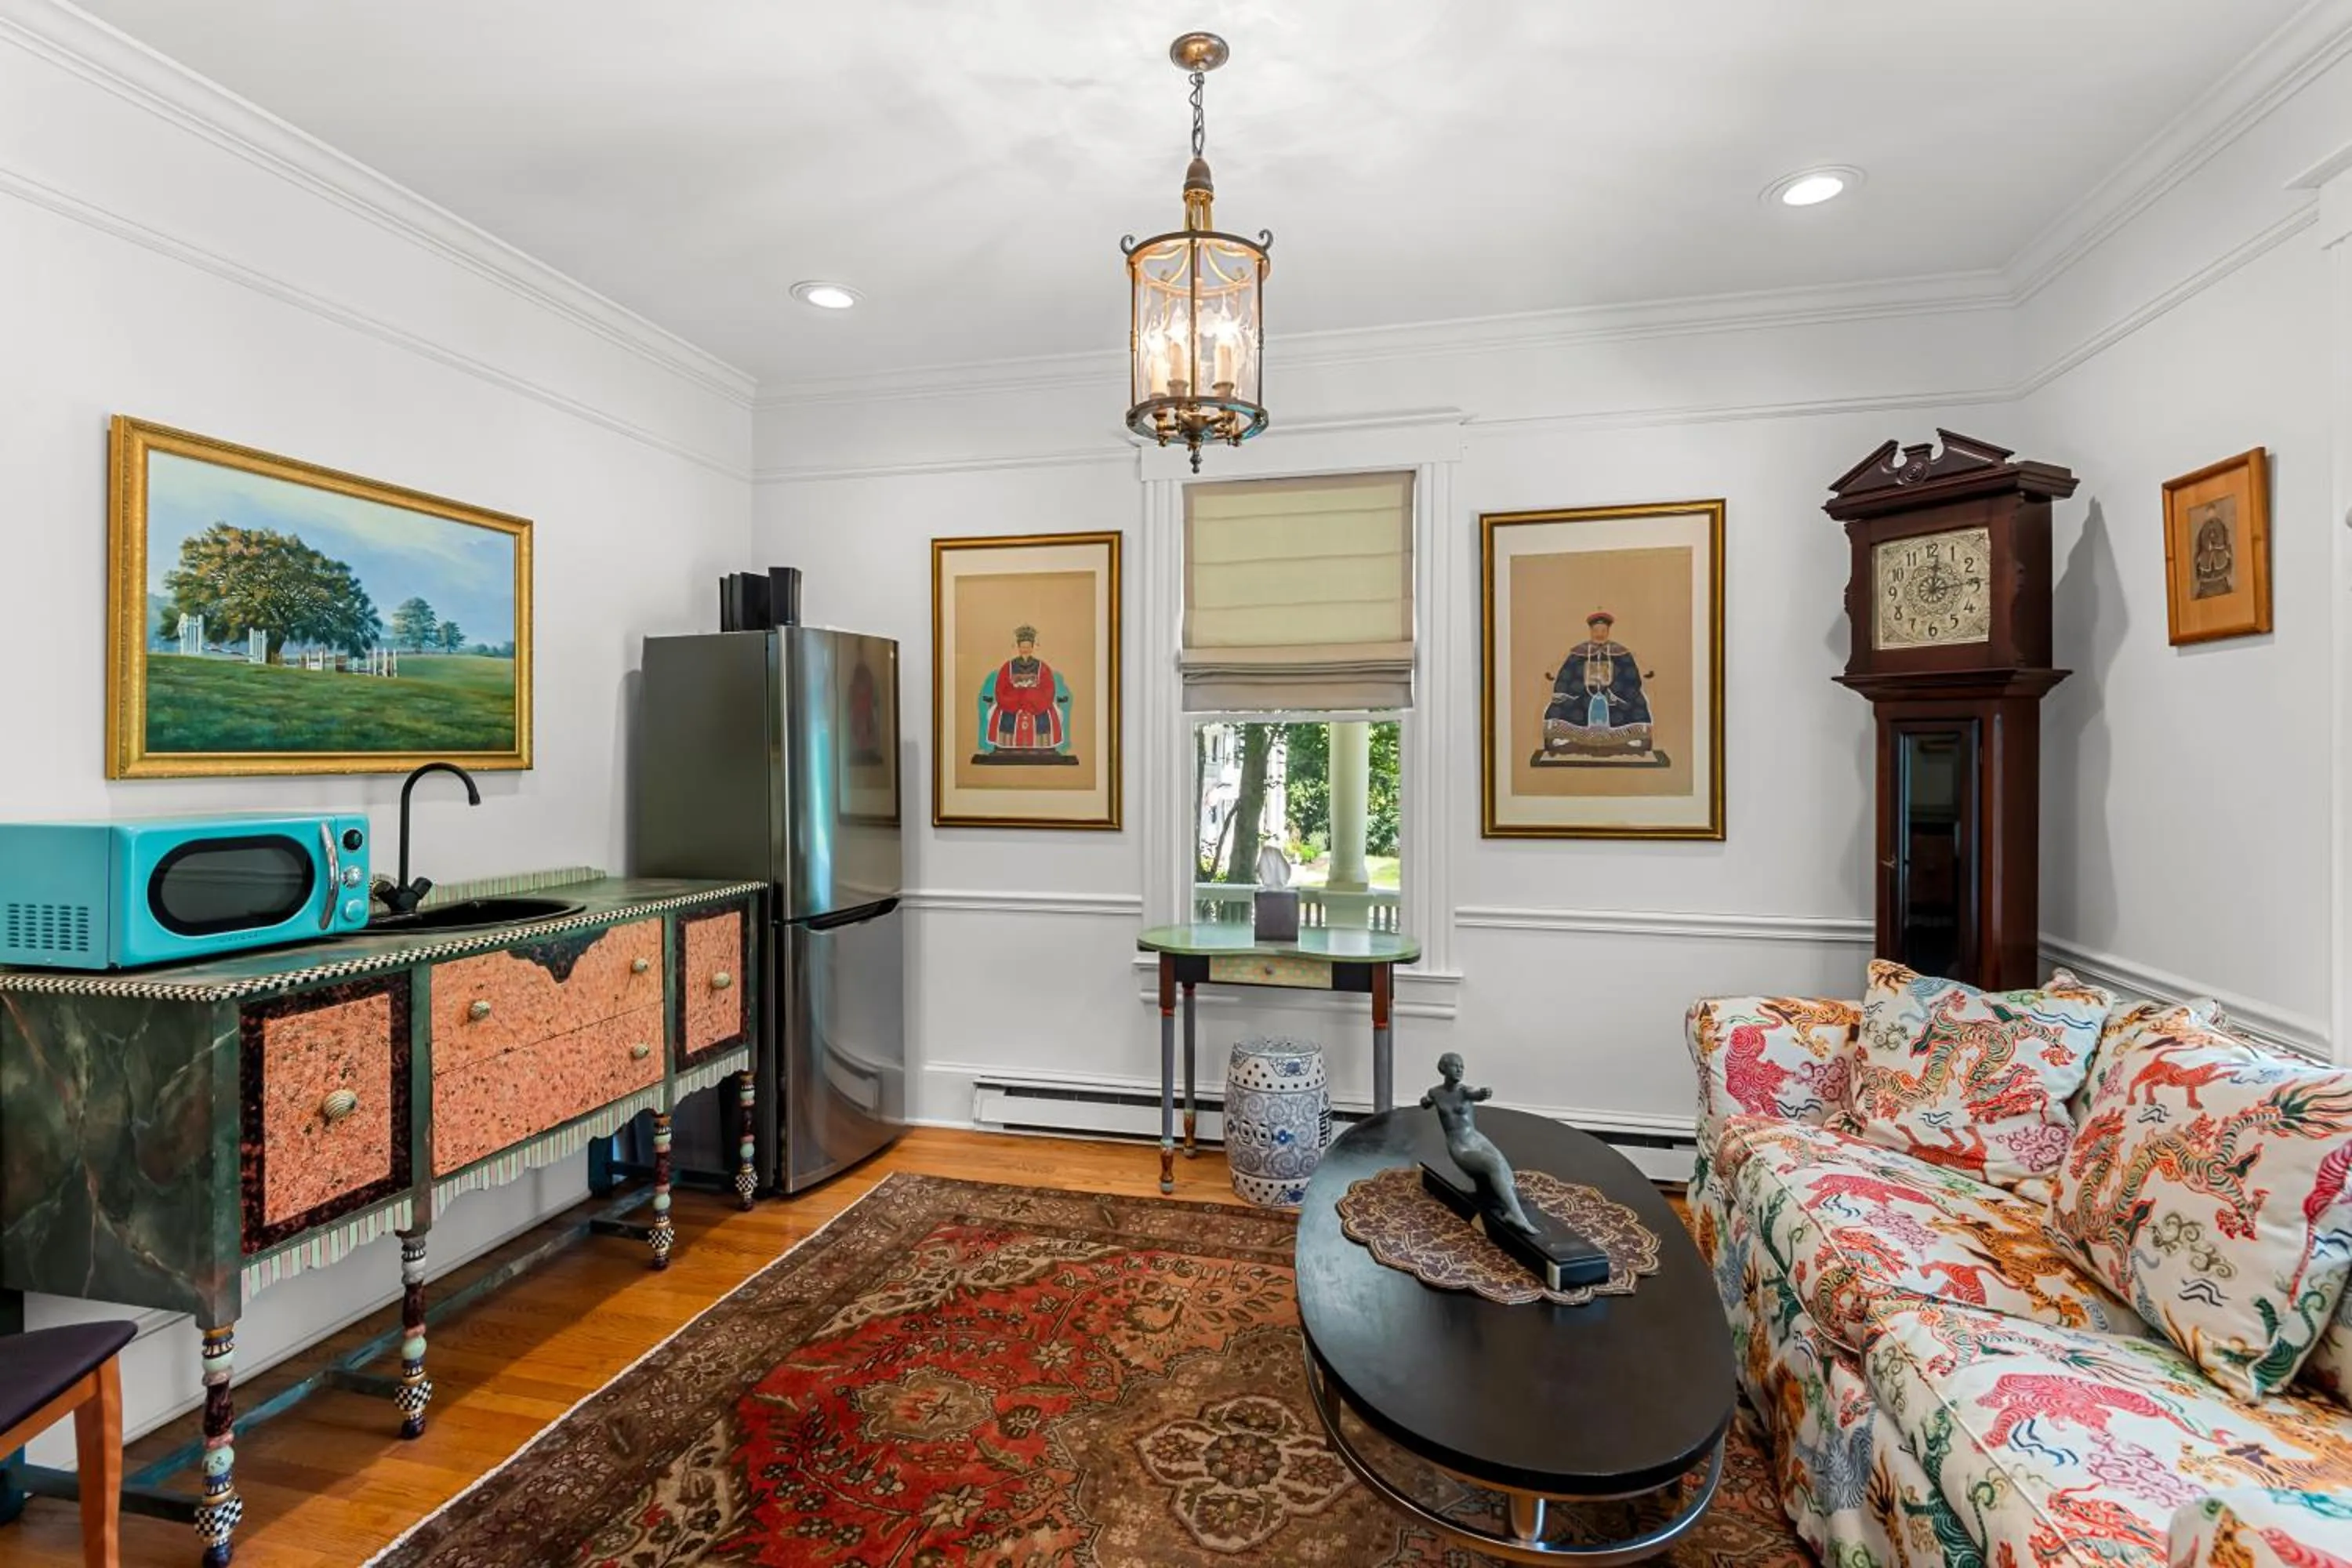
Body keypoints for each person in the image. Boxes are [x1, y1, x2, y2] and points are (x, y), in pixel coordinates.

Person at [1421, 1053, 1538, 1236]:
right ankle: (1516, 1216)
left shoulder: (1465, 1091)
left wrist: (1483, 1093)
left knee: (1506, 1174)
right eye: (1455, 1065)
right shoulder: (1435, 1093)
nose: (1460, 1069)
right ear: (1443, 1068)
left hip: (1477, 1139)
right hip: (1460, 1145)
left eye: (1462, 1066)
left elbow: (1476, 1094)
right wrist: (1425, 1102)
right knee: (1493, 1165)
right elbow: (1426, 1102)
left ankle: (1502, 1200)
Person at [1544, 610, 1653, 757]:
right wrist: (1573, 687)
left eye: (1603, 630)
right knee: (1566, 699)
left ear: (1608, 631)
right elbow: (1568, 673)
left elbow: (1630, 675)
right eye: (1596, 630)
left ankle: (1630, 736)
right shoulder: (1579, 652)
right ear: (1591, 631)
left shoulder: (1621, 652)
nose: (1599, 634)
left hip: (1615, 691)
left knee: (1634, 698)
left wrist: (1614, 690)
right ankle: (1565, 735)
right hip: (1583, 690)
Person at [976, 624, 1073, 757]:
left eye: (1028, 647)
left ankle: (1043, 750)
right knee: (1002, 717)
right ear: (1018, 647)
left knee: (1047, 718)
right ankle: (1005, 749)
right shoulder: (1008, 667)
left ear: (1033, 647)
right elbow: (1000, 689)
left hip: (1038, 703)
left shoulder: (1042, 667)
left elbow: (1048, 689)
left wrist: (1030, 697)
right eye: (1023, 647)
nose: (1025, 650)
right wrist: (1019, 697)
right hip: (1011, 703)